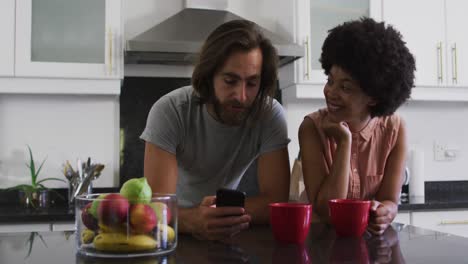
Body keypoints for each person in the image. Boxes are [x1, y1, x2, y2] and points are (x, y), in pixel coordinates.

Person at [141, 19, 291, 241]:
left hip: (230, 229)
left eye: (251, 83)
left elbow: (276, 202)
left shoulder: (270, 115)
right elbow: (157, 207)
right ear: (209, 76)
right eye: (230, 81)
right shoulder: (170, 111)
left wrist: (215, 215)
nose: (241, 96)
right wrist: (193, 220)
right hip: (173, 232)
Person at [299, 17, 416, 235]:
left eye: (345, 87)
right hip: (320, 243)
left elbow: (390, 200)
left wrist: (384, 212)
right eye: (330, 80)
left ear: (373, 96)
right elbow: (327, 212)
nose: (331, 92)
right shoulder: (311, 128)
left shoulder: (395, 129)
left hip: (369, 245)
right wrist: (344, 142)